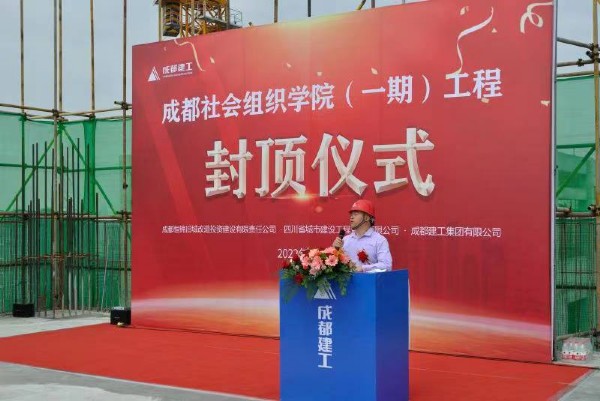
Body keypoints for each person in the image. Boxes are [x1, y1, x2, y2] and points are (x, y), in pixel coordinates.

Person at [332, 199, 392, 272]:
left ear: (367, 218)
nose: (351, 217)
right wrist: (335, 250)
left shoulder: (379, 240)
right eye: (351, 214)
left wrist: (363, 268)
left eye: (355, 214)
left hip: (369, 279)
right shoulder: (345, 240)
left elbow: (387, 266)